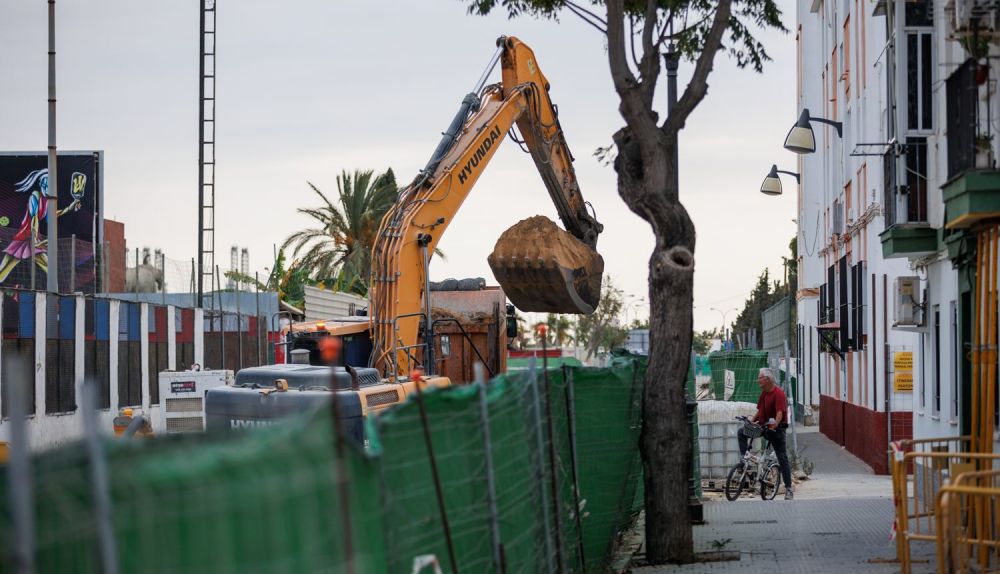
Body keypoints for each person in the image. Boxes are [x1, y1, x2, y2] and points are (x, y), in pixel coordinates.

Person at [737, 367, 794, 500]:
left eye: (760, 378)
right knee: (742, 432)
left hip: (776, 430)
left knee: (782, 457)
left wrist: (775, 424)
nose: (758, 380)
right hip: (763, 427)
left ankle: (789, 489)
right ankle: (745, 460)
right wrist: (751, 422)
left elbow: (779, 413)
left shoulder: (778, 393)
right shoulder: (764, 393)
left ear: (767, 379)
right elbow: (759, 411)